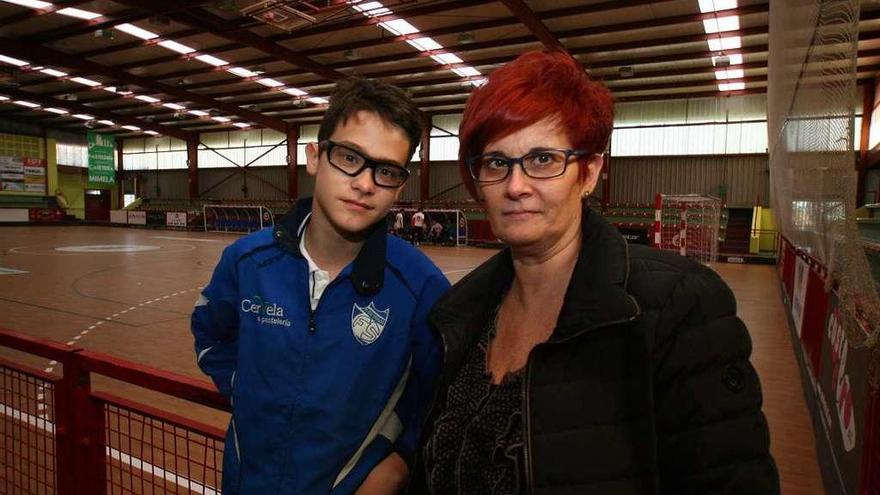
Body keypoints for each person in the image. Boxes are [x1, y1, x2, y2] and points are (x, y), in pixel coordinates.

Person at [409, 51, 779, 494]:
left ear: (589, 172)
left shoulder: (679, 306)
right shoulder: (462, 311)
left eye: (543, 159)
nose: (515, 185)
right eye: (496, 162)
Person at [192, 78, 450, 495]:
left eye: (386, 171)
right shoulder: (246, 263)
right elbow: (210, 330)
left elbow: (439, 395)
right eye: (350, 157)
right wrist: (247, 390)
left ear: (400, 185)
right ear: (315, 157)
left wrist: (401, 460)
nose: (365, 183)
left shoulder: (420, 288)